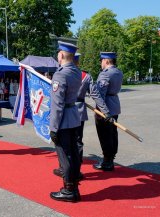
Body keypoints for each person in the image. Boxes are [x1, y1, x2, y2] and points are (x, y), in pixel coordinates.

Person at [53, 53, 110, 179]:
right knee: (77, 142)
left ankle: (65, 169)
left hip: (64, 112)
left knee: (64, 144)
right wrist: (106, 111)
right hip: (79, 112)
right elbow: (96, 95)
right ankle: (76, 170)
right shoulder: (85, 75)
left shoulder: (62, 73)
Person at [49, 41, 82, 202]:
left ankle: (69, 190)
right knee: (74, 155)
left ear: (61, 55)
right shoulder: (76, 71)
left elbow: (57, 104)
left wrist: (53, 128)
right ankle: (74, 186)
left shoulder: (60, 74)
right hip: (74, 117)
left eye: (58, 53)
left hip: (63, 120)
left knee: (65, 157)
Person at [93, 52, 123, 171]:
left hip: (105, 108)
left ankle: (107, 162)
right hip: (114, 105)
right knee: (112, 134)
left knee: (104, 135)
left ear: (106, 61)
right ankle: (111, 158)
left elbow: (100, 95)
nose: (101, 63)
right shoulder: (118, 72)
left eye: (101, 61)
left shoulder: (105, 74)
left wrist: (103, 111)